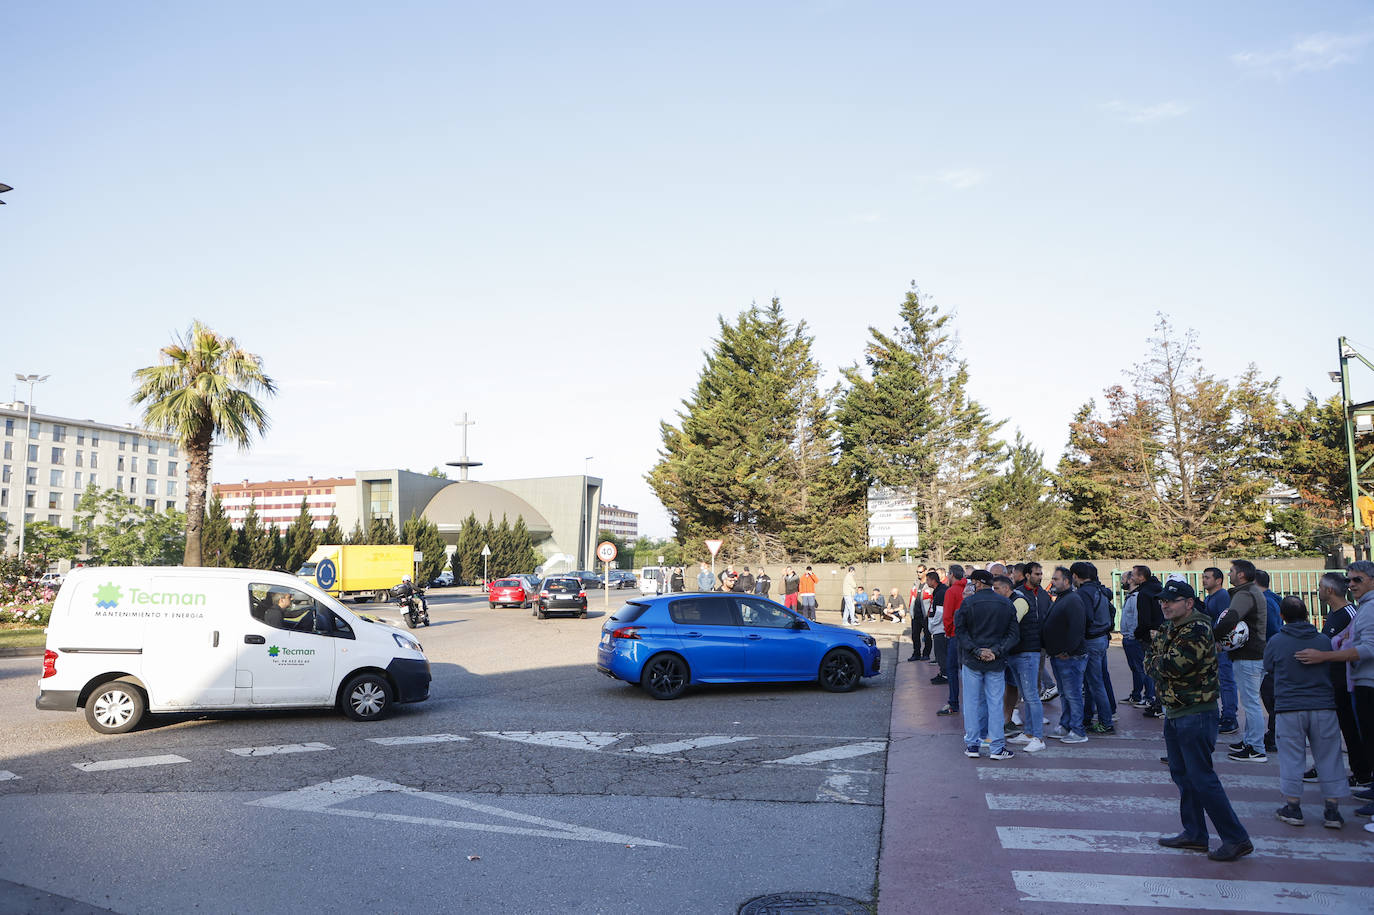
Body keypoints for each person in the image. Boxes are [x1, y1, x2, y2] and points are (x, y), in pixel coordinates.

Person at [1148, 578, 1253, 861]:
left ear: (1189, 603)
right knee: (1183, 775)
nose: (1165, 605)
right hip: (1176, 710)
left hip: (1195, 712)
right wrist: (1157, 657)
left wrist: (1158, 657)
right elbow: (1150, 660)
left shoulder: (1197, 628)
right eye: (1163, 601)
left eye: (1171, 601)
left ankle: (1236, 838)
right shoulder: (1173, 626)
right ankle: (1195, 833)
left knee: (1202, 779)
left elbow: (1171, 666)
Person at [1296, 560, 1374, 821]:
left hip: (1362, 682)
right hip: (1355, 681)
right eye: (1349, 580)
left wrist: (1325, 657)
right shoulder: (1363, 607)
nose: (1351, 585)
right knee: (1359, 733)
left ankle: (1364, 776)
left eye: (1357, 580)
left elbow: (1369, 648)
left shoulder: (1367, 609)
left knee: (1363, 734)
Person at [1264, 595, 1347, 829]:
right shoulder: (1322, 640)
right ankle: (1332, 810)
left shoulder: (1277, 641)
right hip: (1323, 706)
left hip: (1289, 707)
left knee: (1292, 757)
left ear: (1282, 616)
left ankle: (1293, 807)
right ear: (1308, 615)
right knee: (1329, 756)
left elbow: (1269, 667)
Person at [1313, 572, 1370, 787]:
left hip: (1347, 683)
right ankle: (1330, 768)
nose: (1317, 590)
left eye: (1320, 587)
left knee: (1353, 729)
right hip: (1333, 681)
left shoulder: (1350, 613)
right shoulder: (1335, 614)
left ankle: (1362, 773)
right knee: (1331, 728)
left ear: (1329, 590)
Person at [955, 570, 1019, 760]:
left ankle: (973, 744)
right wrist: (996, 651)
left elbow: (961, 632)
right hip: (996, 661)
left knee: (972, 703)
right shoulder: (1006, 603)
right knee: (995, 702)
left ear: (976, 583)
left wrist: (976, 650)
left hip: (973, 660)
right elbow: (1013, 634)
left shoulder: (968, 603)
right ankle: (997, 747)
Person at [1214, 559, 1269, 762]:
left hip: (1249, 655)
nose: (1229, 575)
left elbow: (1230, 619)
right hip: (1253, 654)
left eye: (1231, 572)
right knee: (1250, 701)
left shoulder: (1245, 593)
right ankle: (1250, 741)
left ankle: (1256, 748)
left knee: (1251, 703)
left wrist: (1213, 637)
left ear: (1241, 575)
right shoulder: (1252, 591)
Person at [997, 575, 1045, 752]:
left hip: (1026, 653)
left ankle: (1038, 737)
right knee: (1027, 694)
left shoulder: (1019, 601)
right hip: (1018, 653)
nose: (995, 592)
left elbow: (1009, 623)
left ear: (1006, 588)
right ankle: (1030, 733)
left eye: (996, 589)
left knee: (1031, 695)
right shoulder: (1013, 600)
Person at [1043, 566, 1089, 744]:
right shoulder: (1063, 598)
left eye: (1056, 579)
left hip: (1070, 657)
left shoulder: (1073, 600)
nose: (1052, 581)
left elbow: (1077, 630)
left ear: (1067, 581)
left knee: (1073, 694)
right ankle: (1066, 725)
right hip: (1060, 656)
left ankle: (1078, 730)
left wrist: (1067, 651)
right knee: (1065, 693)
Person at [1071, 562, 1116, 735]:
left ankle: (1106, 722)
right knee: (1093, 682)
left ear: (1075, 575)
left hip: (1091, 640)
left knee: (1095, 683)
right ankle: (1088, 717)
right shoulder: (1099, 589)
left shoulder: (1083, 592)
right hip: (1101, 638)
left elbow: (1085, 618)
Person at [1201, 567, 1239, 736]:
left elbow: (1226, 620)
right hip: (1213, 645)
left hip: (1221, 647)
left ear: (1218, 580)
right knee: (1218, 681)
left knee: (1226, 681)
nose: (1204, 580)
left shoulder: (1222, 596)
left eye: (1207, 577)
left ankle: (1230, 718)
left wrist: (1219, 641)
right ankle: (1222, 715)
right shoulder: (1211, 597)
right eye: (1203, 577)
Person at [1130, 565, 1164, 718]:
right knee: (1160, 671)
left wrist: (1138, 633)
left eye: (1133, 575)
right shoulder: (1159, 588)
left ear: (1141, 577)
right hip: (1161, 633)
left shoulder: (1143, 594)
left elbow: (1144, 619)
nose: (1131, 578)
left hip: (1149, 636)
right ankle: (1159, 702)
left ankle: (1158, 704)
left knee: (1152, 670)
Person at [1256, 569, 1283, 752]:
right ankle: (1273, 734)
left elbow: (1272, 629)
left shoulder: (1266, 601)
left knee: (1270, 696)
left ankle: (1274, 735)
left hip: (1269, 656)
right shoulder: (1272, 598)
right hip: (1271, 655)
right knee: (1270, 696)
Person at [938, 564, 968, 716]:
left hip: (955, 635)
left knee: (952, 668)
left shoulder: (952, 591)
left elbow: (948, 616)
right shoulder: (968, 589)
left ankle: (953, 702)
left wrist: (948, 632)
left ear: (951, 575)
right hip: (968, 636)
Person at [926, 570, 950, 680]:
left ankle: (945, 673)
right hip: (938, 628)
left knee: (940, 652)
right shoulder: (938, 591)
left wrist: (933, 623)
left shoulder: (941, 592)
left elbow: (940, 611)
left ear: (933, 580)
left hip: (940, 629)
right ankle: (943, 672)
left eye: (928, 580)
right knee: (940, 652)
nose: (926, 582)